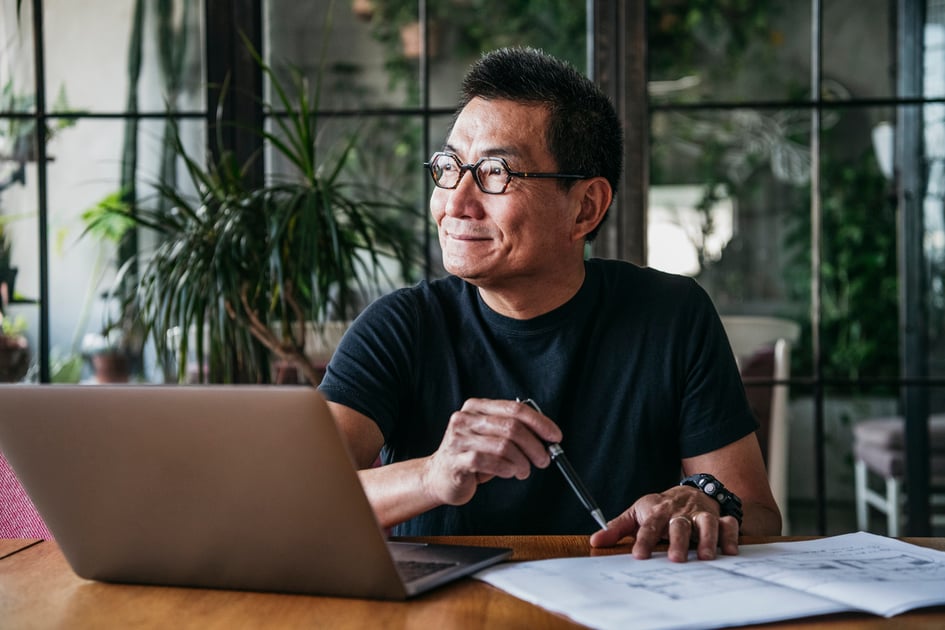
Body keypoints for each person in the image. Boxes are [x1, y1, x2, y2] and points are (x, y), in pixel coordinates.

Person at [318, 47, 781, 562]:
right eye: (449, 166)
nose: (455, 203)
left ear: (585, 207)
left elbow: (759, 514)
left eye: (495, 172)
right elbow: (301, 499)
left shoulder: (671, 315)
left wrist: (706, 508)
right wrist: (433, 474)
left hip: (622, 607)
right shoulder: (399, 327)